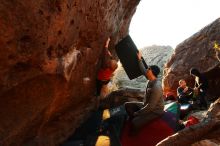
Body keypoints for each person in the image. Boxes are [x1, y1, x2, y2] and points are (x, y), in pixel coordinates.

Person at [124, 52, 164, 134]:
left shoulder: (157, 87)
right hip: (145, 104)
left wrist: (137, 113)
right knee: (127, 105)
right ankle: (135, 118)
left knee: (135, 122)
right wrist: (139, 59)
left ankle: (134, 134)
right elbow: (143, 70)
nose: (146, 70)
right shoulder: (150, 78)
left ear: (151, 72)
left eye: (148, 69)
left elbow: (151, 107)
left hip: (155, 111)